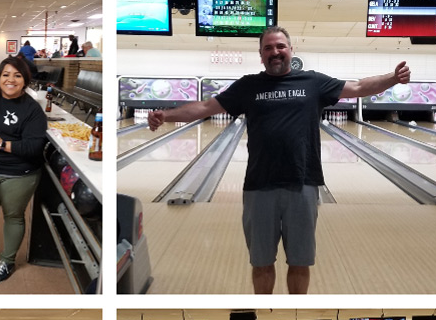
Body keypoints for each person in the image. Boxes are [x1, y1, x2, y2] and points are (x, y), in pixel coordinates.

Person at [148, 26, 411, 295]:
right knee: (261, 263)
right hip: (259, 186)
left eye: (280, 46)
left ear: (290, 50)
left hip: (303, 184)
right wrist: (166, 116)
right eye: (268, 48)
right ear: (261, 55)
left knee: (300, 261)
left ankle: (293, 311)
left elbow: (357, 87)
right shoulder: (248, 86)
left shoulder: (312, 82)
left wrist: (393, 78)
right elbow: (206, 108)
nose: (275, 52)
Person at [0, 56, 48, 284]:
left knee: (13, 216)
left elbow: (35, 146)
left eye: (17, 75)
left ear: (25, 79)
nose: (11, 80)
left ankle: (7, 260)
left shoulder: (33, 110)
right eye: (6, 74)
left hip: (20, 173)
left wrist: (2, 143)